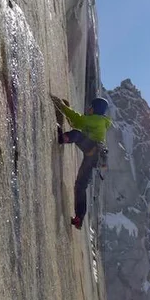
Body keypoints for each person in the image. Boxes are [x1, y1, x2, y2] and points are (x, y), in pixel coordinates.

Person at [51, 94, 112, 229]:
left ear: (95, 109)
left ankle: (63, 138)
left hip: (93, 149)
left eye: (91, 107)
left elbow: (78, 120)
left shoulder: (98, 120)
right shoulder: (96, 120)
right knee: (80, 186)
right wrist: (66, 110)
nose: (88, 108)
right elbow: (76, 122)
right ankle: (79, 219)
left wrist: (61, 106)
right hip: (93, 157)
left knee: (77, 135)